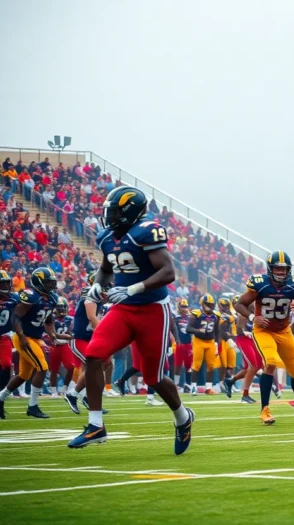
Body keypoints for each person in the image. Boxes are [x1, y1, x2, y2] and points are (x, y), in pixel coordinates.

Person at [67, 186, 193, 455]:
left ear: (129, 213)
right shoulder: (107, 237)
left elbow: (168, 272)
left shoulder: (146, 232)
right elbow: (105, 269)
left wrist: (133, 288)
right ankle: (96, 426)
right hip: (123, 310)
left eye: (113, 211)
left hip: (152, 310)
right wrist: (96, 286)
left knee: (154, 377)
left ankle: (183, 417)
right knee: (93, 355)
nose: (108, 216)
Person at [235, 250, 294, 425]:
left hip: (283, 331)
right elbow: (239, 304)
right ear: (270, 269)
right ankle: (265, 410)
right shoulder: (260, 284)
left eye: (283, 269)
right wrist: (252, 317)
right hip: (263, 331)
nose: (281, 273)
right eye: (277, 269)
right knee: (270, 362)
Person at [0, 268, 69, 419]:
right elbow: (16, 317)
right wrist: (21, 335)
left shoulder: (52, 298)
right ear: (39, 282)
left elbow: (49, 320)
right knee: (43, 367)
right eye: (48, 282)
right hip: (24, 337)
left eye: (52, 283)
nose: (51, 286)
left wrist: (53, 334)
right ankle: (33, 406)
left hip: (36, 338)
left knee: (24, 375)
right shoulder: (31, 296)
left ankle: (0, 398)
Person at [65, 273, 108, 414]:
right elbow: (91, 318)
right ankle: (74, 394)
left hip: (89, 338)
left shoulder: (98, 296)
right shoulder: (89, 294)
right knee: (93, 367)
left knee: (104, 364)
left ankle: (85, 397)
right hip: (79, 338)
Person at [225, 293, 264, 404]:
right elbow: (239, 330)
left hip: (252, 340)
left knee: (254, 367)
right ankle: (245, 394)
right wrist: (245, 332)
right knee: (254, 366)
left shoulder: (254, 309)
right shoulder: (242, 315)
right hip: (244, 340)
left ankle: (231, 380)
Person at [187, 294, 221, 395]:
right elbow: (188, 328)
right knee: (197, 365)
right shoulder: (196, 314)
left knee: (211, 366)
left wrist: (216, 343)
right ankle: (193, 388)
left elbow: (217, 331)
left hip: (210, 341)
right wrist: (198, 330)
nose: (210, 306)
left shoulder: (216, 315)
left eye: (211, 304)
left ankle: (208, 388)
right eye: (208, 304)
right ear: (202, 304)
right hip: (199, 341)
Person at [48, 298, 75, 397]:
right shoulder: (51, 319)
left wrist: (71, 332)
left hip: (65, 345)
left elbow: (72, 333)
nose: (62, 310)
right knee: (54, 370)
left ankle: (65, 388)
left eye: (63, 308)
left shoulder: (70, 319)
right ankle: (53, 390)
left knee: (71, 367)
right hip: (54, 346)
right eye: (59, 308)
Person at [216, 297, 239, 396]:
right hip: (222, 341)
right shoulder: (220, 315)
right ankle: (221, 384)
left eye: (226, 305)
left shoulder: (232, 313)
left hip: (231, 340)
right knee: (223, 365)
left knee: (232, 364)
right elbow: (220, 329)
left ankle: (231, 383)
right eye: (223, 305)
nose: (225, 307)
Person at [0, 271, 18, 397]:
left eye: (7, 283)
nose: (6, 286)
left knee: (6, 365)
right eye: (3, 284)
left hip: (4, 336)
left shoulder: (14, 299)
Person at [173, 299, 194, 392]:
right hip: (179, 343)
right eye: (182, 307)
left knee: (189, 365)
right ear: (179, 307)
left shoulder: (191, 317)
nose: (184, 309)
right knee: (177, 365)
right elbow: (172, 330)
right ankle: (176, 385)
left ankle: (188, 384)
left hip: (189, 344)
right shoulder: (176, 317)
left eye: (185, 307)